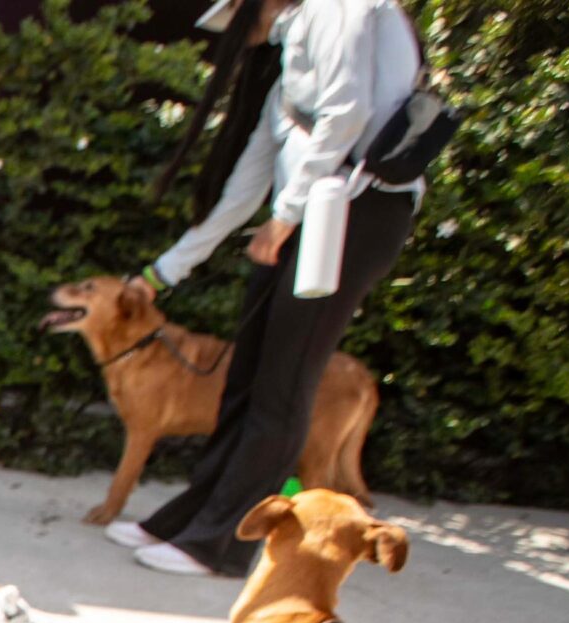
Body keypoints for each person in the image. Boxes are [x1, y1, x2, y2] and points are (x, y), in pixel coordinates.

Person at [112, 0, 423, 577]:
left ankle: (222, 544)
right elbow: (246, 181)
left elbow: (347, 113)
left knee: (282, 388)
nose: (243, 37)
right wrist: (165, 271)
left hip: (355, 216)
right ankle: (190, 518)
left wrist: (284, 216)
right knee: (244, 381)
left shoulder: (341, 10)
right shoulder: (290, 53)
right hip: (308, 216)